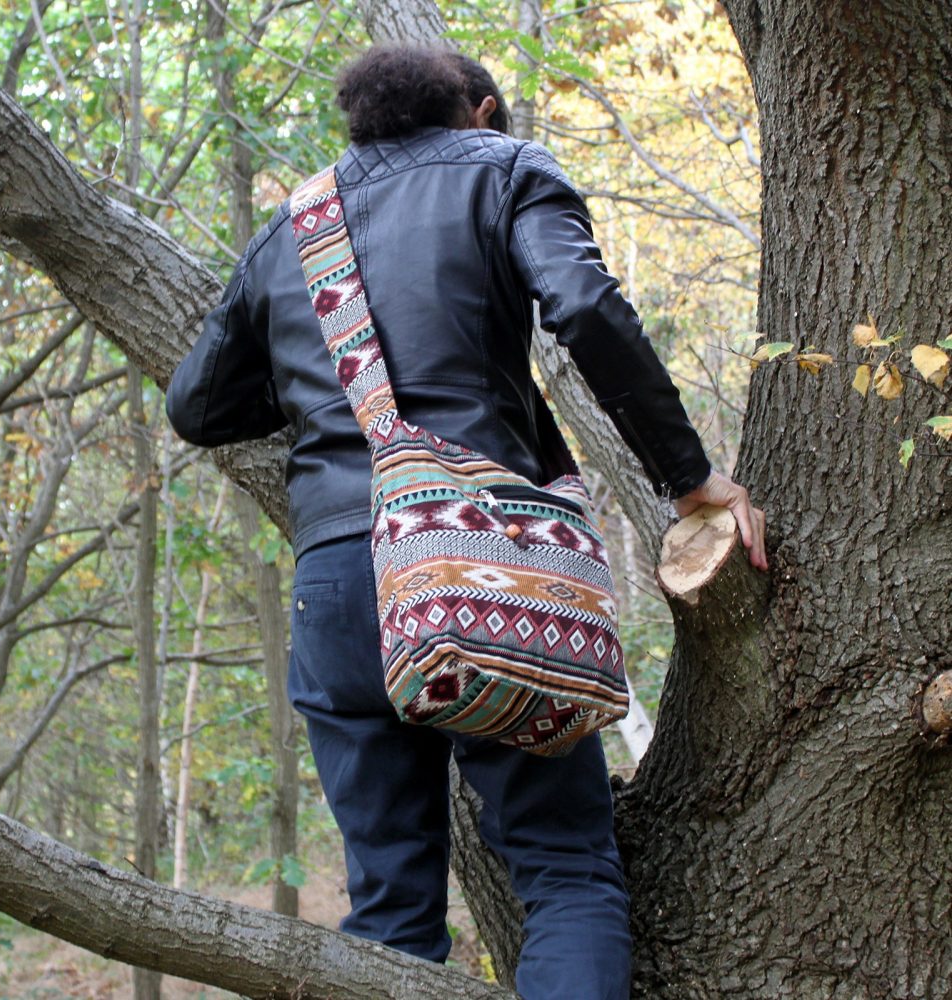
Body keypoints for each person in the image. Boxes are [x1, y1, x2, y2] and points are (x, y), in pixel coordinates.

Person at [166, 45, 766, 1000]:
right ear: (478, 111)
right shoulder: (507, 168)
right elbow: (584, 306)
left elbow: (196, 407)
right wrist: (687, 477)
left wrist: (327, 407)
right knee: (566, 871)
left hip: (340, 585)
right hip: (483, 568)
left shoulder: (293, 224)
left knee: (389, 914)